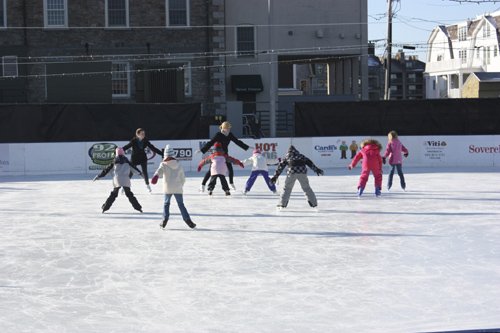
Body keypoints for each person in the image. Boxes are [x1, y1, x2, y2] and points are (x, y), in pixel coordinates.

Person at [151, 145, 195, 229]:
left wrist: (155, 176)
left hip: (168, 188)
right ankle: (188, 220)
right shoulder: (178, 164)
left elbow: (159, 171)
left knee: (166, 204)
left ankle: (164, 220)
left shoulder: (163, 164)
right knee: (181, 204)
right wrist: (180, 185)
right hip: (178, 188)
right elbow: (183, 178)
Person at [199, 121, 249, 191]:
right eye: (227, 128)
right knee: (211, 171)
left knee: (230, 169)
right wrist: (202, 150)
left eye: (229, 128)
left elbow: (237, 142)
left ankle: (231, 183)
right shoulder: (218, 135)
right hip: (216, 154)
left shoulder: (230, 135)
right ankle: (203, 185)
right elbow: (210, 143)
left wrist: (247, 147)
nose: (229, 130)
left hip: (225, 154)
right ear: (224, 128)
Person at [94, 147, 143, 213]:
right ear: (123, 153)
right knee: (129, 194)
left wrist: (99, 176)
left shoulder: (114, 161)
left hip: (117, 179)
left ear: (116, 153)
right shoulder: (127, 161)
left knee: (114, 194)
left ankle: (105, 207)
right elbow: (134, 168)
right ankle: (138, 208)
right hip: (125, 179)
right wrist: (140, 173)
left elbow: (106, 170)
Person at [122, 128, 163, 192]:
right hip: (134, 158)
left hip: (143, 158)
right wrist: (118, 151)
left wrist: (162, 154)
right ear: (137, 134)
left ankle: (147, 185)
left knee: (145, 172)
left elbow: (153, 148)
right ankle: (125, 186)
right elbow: (126, 147)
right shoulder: (133, 141)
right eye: (142, 133)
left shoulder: (145, 140)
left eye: (144, 133)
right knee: (131, 172)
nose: (143, 135)